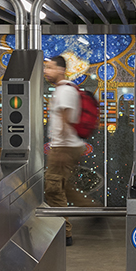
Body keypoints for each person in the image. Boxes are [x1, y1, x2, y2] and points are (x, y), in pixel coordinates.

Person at [43, 55, 91, 245]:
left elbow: (63, 121)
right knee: (63, 187)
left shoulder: (63, 91)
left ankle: (65, 234)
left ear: (61, 70)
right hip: (68, 146)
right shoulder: (67, 89)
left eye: (50, 67)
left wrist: (60, 150)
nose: (46, 71)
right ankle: (94, 211)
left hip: (63, 147)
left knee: (53, 188)